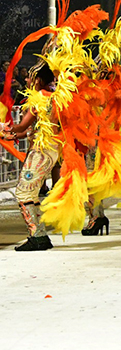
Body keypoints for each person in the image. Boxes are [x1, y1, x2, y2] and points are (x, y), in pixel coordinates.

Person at [1, 64, 59, 251]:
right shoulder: (56, 97)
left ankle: (38, 236)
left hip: (41, 151)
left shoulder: (40, 98)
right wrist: (14, 134)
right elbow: (31, 130)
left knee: (24, 192)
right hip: (51, 149)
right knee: (31, 193)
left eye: (30, 78)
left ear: (39, 80)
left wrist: (3, 127)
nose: (26, 80)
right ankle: (39, 235)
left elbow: (20, 126)